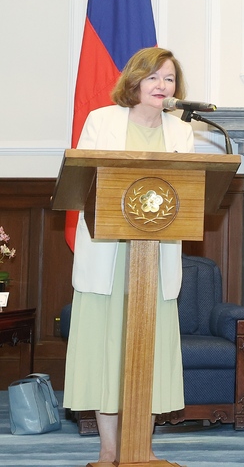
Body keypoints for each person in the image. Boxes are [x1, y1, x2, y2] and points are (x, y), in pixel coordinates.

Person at [63, 47, 194, 463]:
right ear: (134, 81)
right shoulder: (100, 121)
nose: (162, 86)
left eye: (169, 79)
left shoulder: (181, 132)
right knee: (107, 355)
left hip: (154, 262)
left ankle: (142, 450)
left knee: (149, 357)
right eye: (154, 77)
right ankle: (108, 452)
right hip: (108, 258)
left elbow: (188, 195)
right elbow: (83, 184)